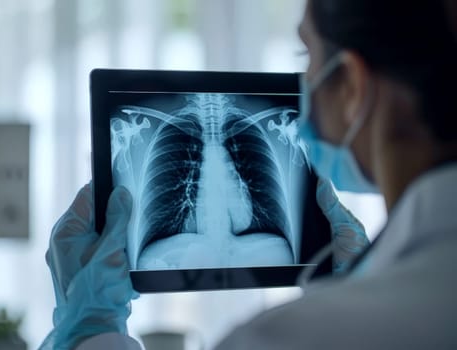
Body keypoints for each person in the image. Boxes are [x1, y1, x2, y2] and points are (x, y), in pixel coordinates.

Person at [41, 0, 457, 348]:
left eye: (307, 58)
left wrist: (90, 328)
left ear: (351, 87)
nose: (304, 86)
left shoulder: (283, 339)